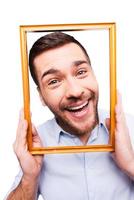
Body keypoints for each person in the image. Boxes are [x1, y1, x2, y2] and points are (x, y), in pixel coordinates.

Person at [5, 32, 134, 200]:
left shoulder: (131, 126)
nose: (75, 91)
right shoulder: (36, 145)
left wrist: (131, 165)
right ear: (41, 97)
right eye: (54, 81)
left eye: (81, 72)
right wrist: (30, 177)